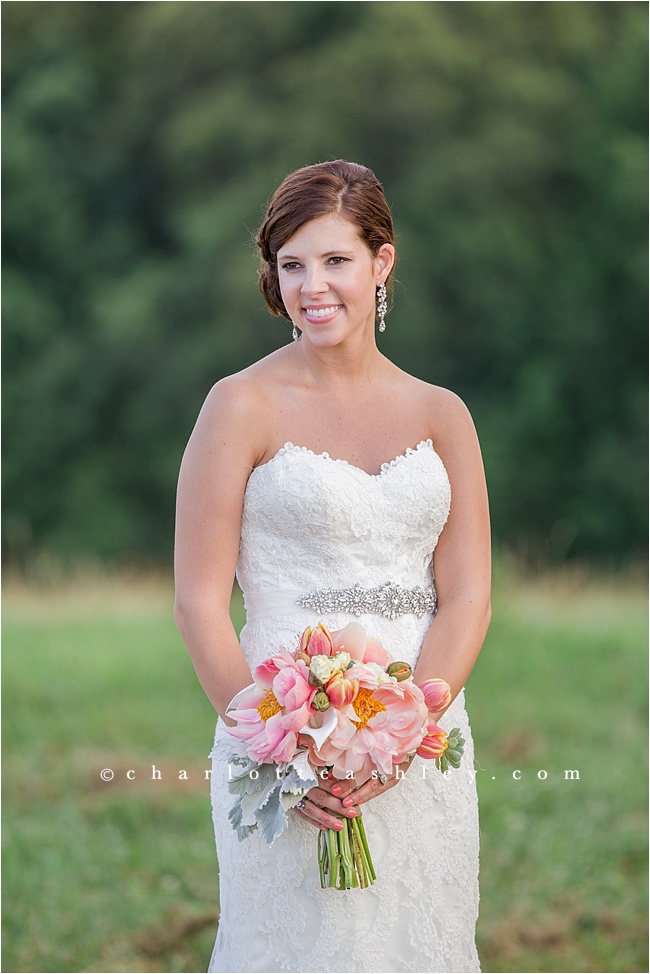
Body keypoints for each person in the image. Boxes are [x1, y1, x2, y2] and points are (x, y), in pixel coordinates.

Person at [174, 159, 491, 974]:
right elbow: (200, 603)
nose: (313, 286)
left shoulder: (442, 414)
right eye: (291, 265)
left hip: (419, 747)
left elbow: (467, 597)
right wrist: (277, 753)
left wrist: (409, 728)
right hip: (279, 742)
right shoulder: (238, 406)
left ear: (382, 263)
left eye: (335, 260)